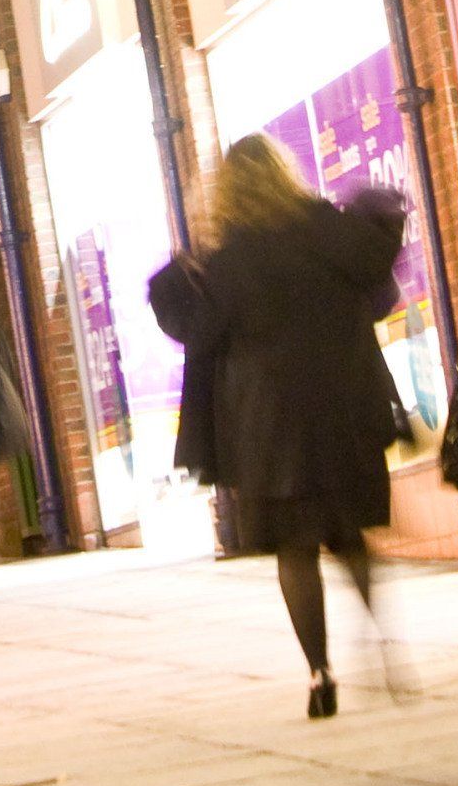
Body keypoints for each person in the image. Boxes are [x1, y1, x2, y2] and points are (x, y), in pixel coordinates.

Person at [150, 133, 406, 719]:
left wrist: (174, 280)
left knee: (294, 549)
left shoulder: (227, 260)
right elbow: (374, 279)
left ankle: (319, 674)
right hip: (341, 405)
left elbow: (199, 332)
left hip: (266, 422)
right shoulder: (325, 229)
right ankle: (380, 633)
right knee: (346, 533)